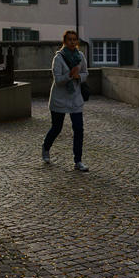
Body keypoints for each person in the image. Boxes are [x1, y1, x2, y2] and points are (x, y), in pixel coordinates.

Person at [42, 30, 90, 172]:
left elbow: (85, 73)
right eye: (69, 39)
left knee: (79, 129)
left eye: (74, 39)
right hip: (59, 99)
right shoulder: (58, 58)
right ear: (64, 41)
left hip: (75, 98)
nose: (72, 42)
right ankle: (46, 147)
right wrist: (70, 75)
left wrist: (78, 77)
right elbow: (57, 80)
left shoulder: (80, 56)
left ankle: (78, 161)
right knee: (57, 128)